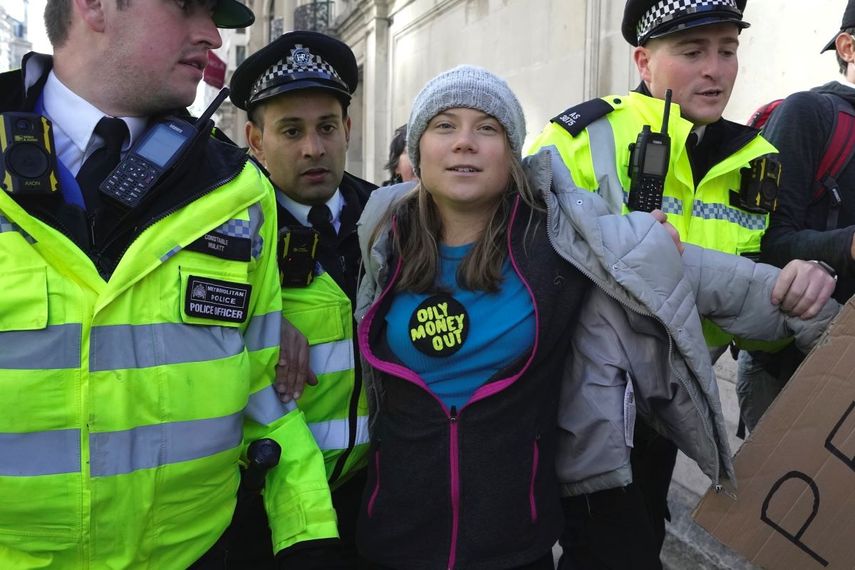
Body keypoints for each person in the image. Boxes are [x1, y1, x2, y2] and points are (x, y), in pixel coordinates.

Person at [353, 65, 838, 570]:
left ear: (513, 152)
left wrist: (803, 289)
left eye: (488, 128)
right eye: (444, 125)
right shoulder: (379, 240)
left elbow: (706, 278)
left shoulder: (564, 239)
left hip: (517, 548)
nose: (464, 143)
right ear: (418, 146)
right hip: (391, 543)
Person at [0, 1, 338, 568]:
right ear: (95, 6)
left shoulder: (238, 191)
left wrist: (307, 533)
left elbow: (264, 392)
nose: (211, 34)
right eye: (185, 6)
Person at [529, 0, 837, 566]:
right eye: (693, 52)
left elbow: (754, 323)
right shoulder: (580, 136)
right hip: (582, 410)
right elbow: (525, 273)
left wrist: (799, 286)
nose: (715, 70)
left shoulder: (758, 159)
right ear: (644, 61)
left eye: (728, 50)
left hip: (666, 419)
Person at [228, 30, 375, 567]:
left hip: (373, 502)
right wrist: (258, 320)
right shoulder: (222, 236)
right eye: (291, 130)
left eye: (326, 127)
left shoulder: (395, 221)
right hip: (261, 505)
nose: (313, 148)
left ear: (347, 130)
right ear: (255, 140)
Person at [738, 0, 855, 432]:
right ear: (848, 46)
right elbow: (762, 243)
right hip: (788, 372)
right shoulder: (809, 113)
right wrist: (848, 245)